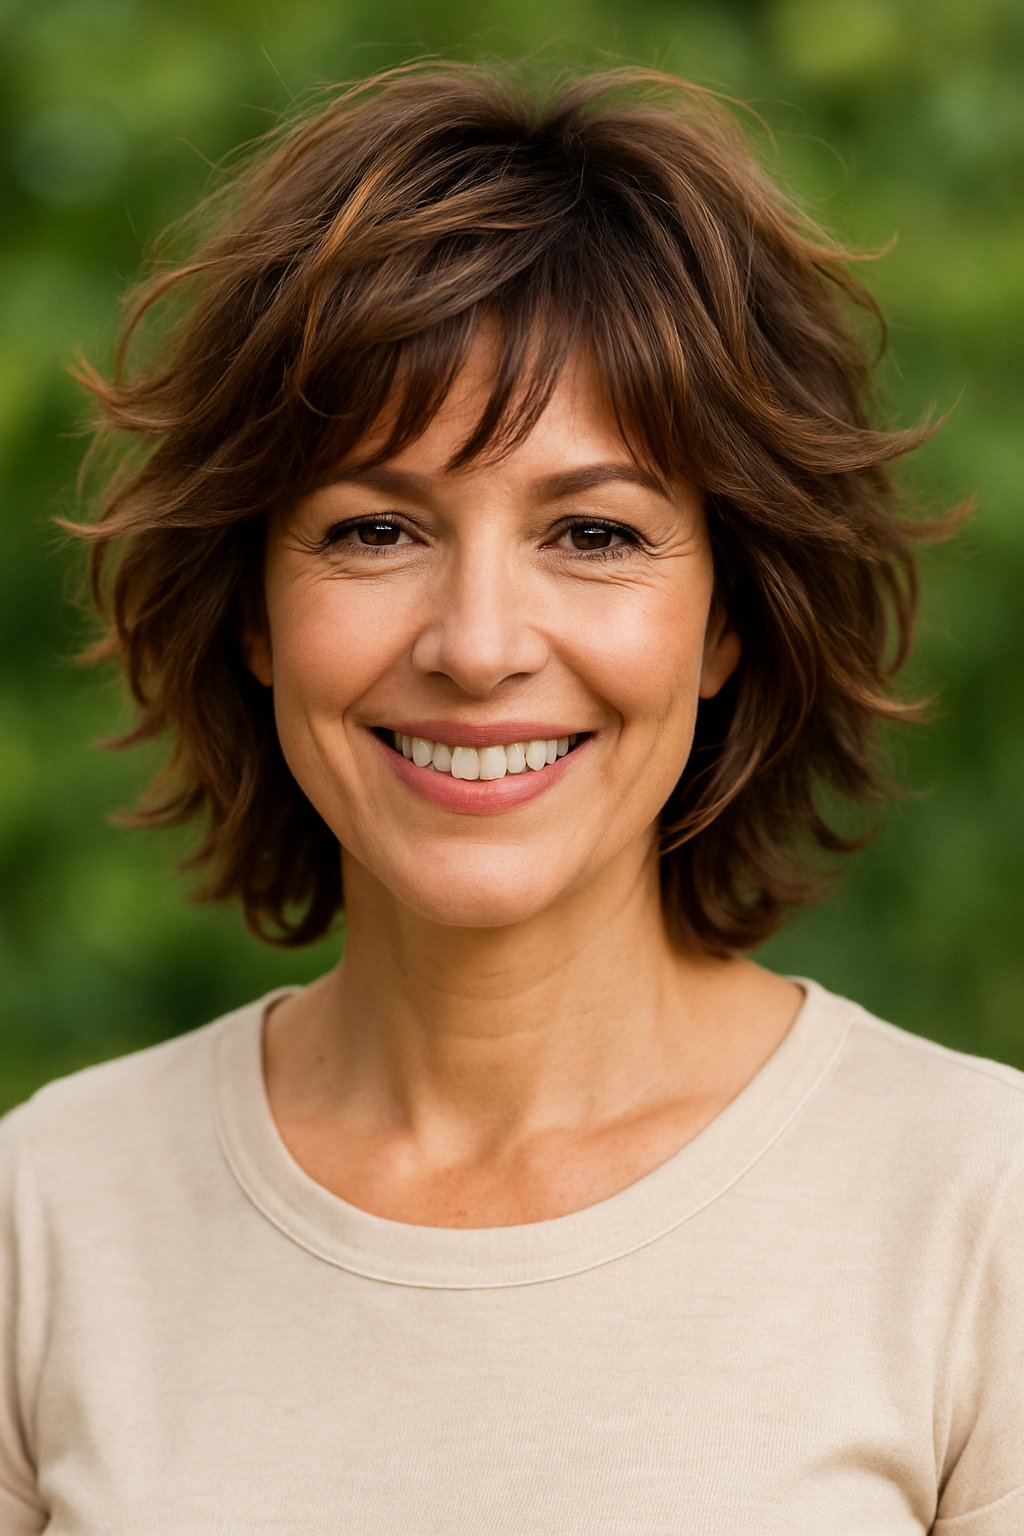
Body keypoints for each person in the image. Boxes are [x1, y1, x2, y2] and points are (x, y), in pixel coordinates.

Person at [1, 60, 1021, 1535]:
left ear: (728, 620)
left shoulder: (980, 1212)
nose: (478, 645)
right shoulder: (45, 1218)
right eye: (377, 529)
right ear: (254, 610)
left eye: (594, 533)